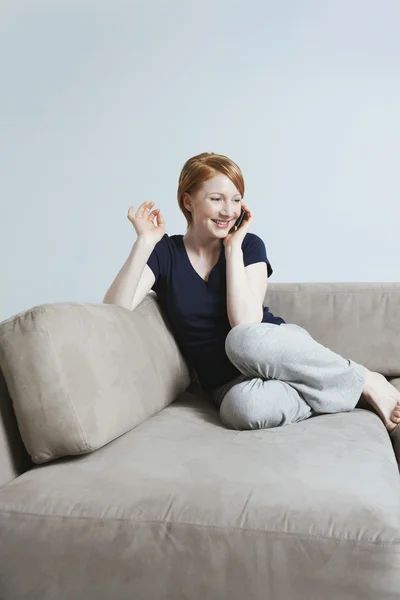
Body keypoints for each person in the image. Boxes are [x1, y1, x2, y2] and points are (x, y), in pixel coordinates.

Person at [104, 152, 400, 433]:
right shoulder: (166, 252)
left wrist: (232, 250)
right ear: (188, 201)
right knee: (242, 410)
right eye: (216, 199)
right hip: (230, 383)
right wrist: (144, 242)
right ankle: (339, 390)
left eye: (236, 200)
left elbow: (246, 323)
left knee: (241, 339)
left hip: (273, 350)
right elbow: (116, 310)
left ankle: (364, 380)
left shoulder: (249, 245)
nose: (228, 211)